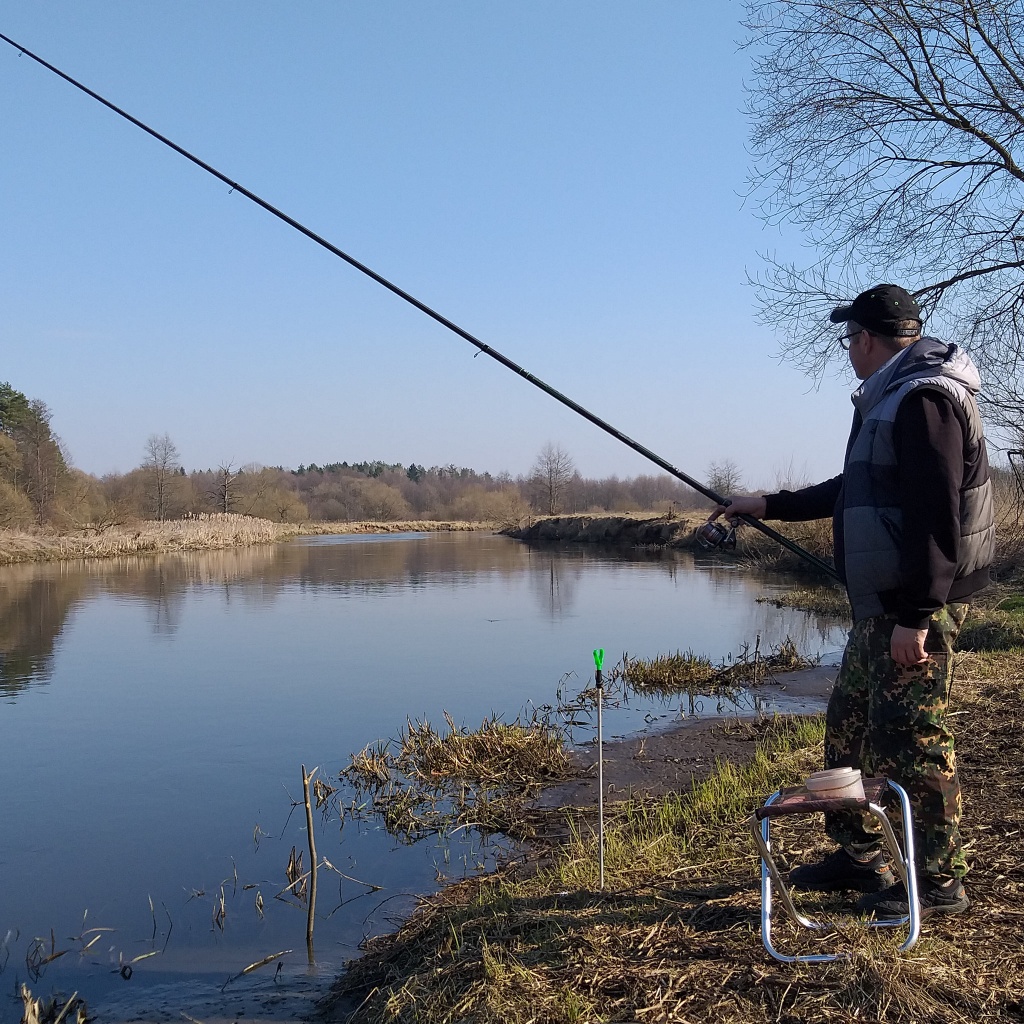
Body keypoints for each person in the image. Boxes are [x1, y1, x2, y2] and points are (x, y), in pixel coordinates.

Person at [711, 284, 994, 919]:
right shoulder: (891, 399)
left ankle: (939, 881)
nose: (847, 351)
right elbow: (854, 488)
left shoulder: (925, 400)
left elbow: (935, 518)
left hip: (910, 607)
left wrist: (917, 616)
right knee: (849, 730)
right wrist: (769, 505)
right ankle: (858, 852)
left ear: (867, 339)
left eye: (849, 340)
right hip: (881, 605)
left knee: (913, 740)